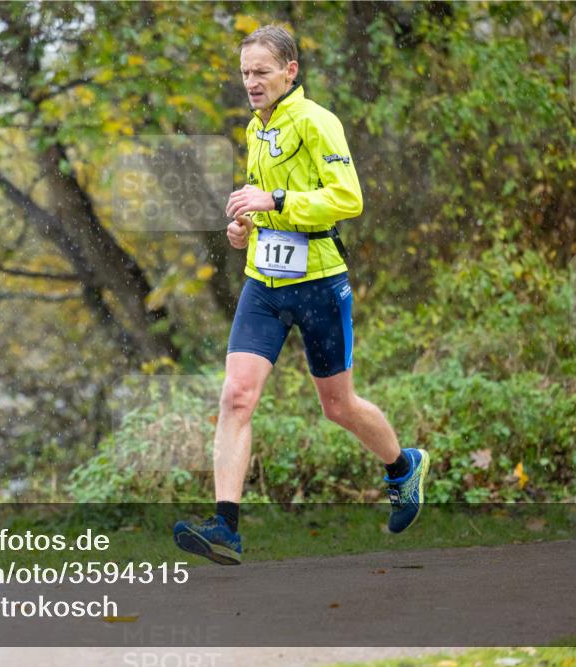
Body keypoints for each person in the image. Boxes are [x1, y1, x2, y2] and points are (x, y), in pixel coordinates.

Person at [173, 24, 429, 565]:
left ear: (291, 71)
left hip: (318, 283)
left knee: (337, 405)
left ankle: (402, 467)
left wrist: (276, 198)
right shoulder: (253, 129)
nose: (251, 82)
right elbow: (261, 209)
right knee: (236, 396)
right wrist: (243, 229)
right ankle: (225, 526)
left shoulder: (319, 123)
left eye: (262, 71)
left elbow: (348, 198)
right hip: (263, 286)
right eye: (245, 73)